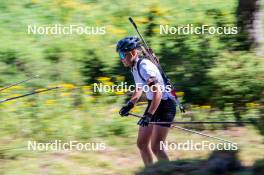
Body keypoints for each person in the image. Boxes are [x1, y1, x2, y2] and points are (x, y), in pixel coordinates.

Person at [116, 36, 177, 166]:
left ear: (132, 53)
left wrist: (149, 115)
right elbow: (139, 88)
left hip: (165, 105)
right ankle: (149, 171)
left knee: (156, 147)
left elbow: (158, 92)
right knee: (142, 143)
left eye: (122, 54)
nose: (121, 58)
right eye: (119, 55)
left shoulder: (144, 66)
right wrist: (130, 104)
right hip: (154, 103)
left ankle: (169, 171)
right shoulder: (134, 66)